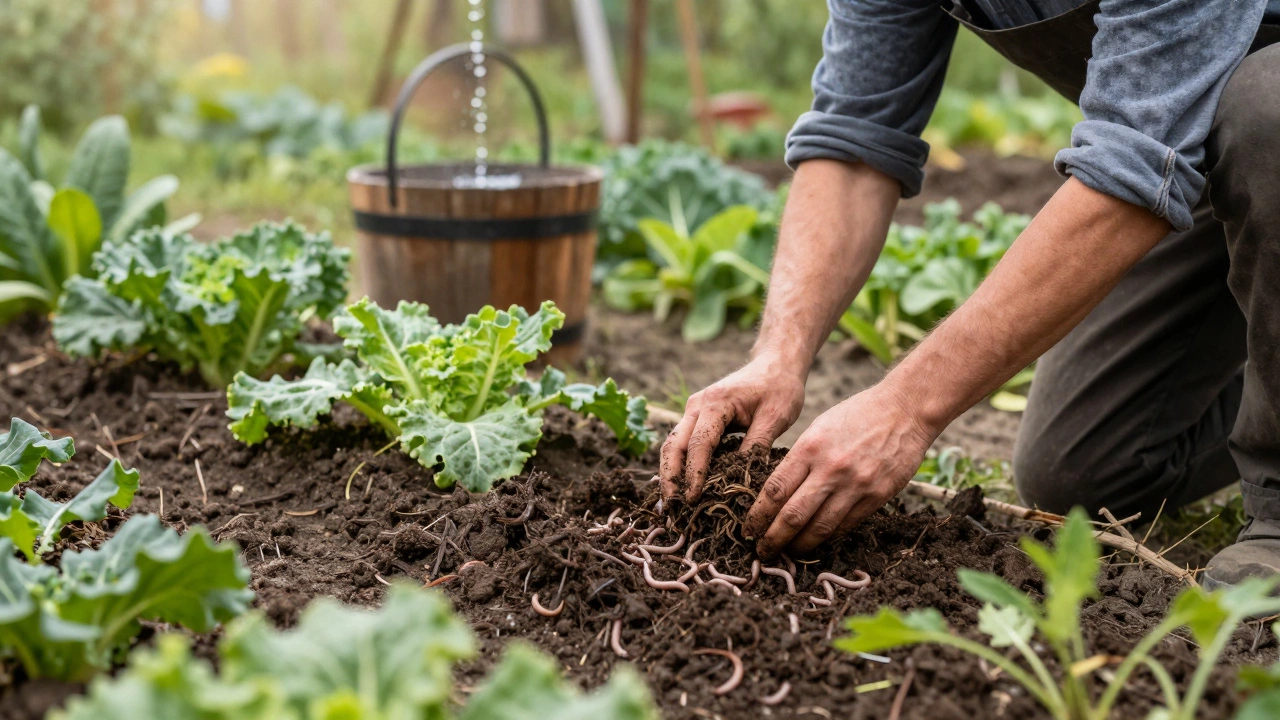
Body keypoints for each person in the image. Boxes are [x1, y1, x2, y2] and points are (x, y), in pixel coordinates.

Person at [658, 0, 1280, 590]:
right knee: (1083, 470)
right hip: (1201, 161)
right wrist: (779, 356)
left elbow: (1130, 168)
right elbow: (854, 135)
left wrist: (904, 409)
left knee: (1268, 105)